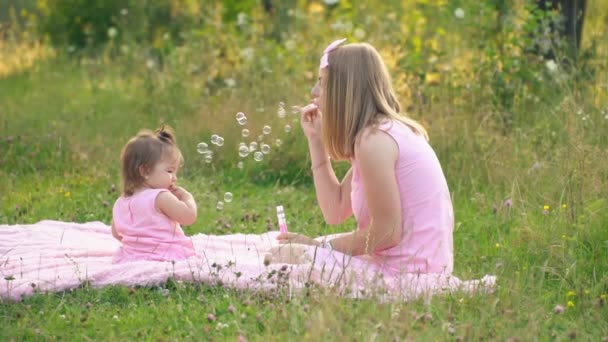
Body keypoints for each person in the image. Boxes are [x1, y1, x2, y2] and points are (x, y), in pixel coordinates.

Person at [272, 39, 454, 276]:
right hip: (415, 265)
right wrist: (315, 141)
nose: (313, 92)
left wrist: (321, 248)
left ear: (344, 90)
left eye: (322, 83)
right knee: (285, 254)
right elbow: (335, 210)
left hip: (406, 273)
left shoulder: (374, 141)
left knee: (279, 261)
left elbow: (387, 232)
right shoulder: (377, 135)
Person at [111, 125, 198, 263]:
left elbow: (117, 234)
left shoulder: (121, 201)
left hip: (131, 259)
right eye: (170, 171)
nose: (174, 178)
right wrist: (187, 197)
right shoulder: (160, 197)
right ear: (145, 171)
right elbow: (189, 217)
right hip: (166, 257)